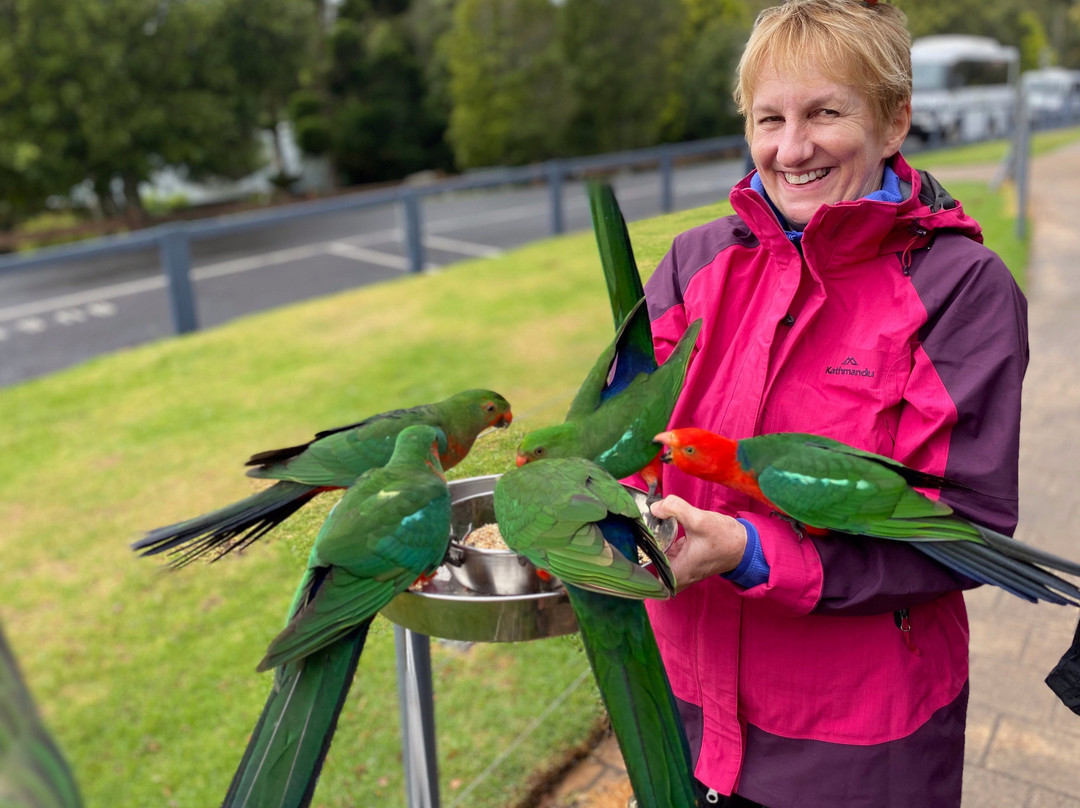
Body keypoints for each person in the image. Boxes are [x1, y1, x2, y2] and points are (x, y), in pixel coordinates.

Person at [640, 1, 1029, 806]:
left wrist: (753, 553)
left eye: (826, 113)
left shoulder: (961, 290)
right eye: (769, 117)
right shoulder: (694, 262)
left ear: (894, 122)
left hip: (857, 747)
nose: (791, 148)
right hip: (679, 710)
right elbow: (632, 445)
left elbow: (964, 532)